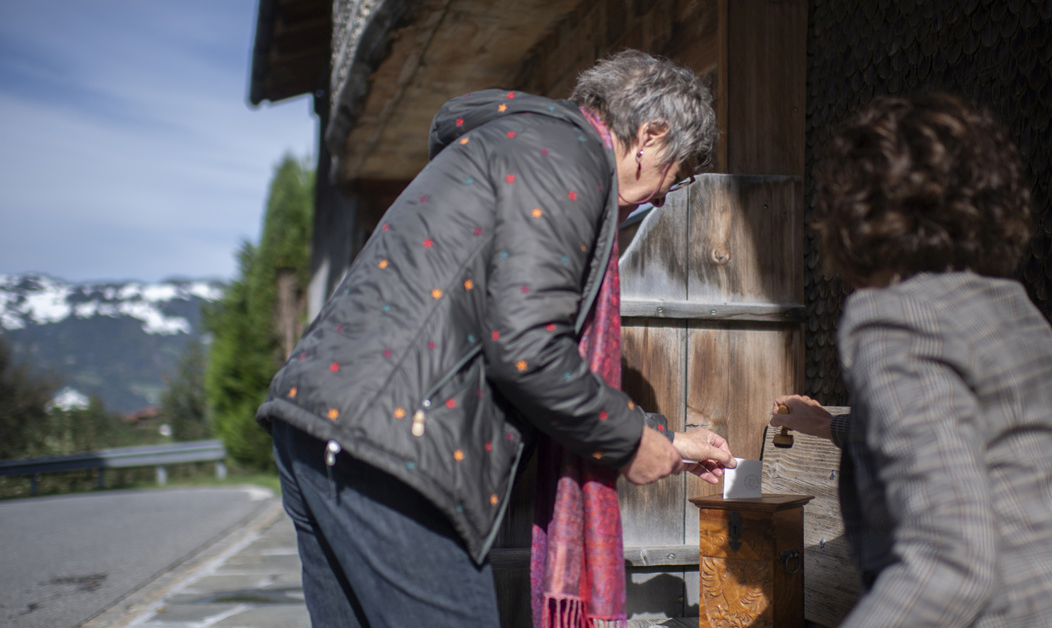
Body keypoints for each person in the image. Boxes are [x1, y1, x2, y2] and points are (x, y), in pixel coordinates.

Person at [259, 50, 734, 627]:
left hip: (324, 429)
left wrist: (667, 440)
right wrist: (632, 439)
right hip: (392, 448)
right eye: (671, 173)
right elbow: (529, 348)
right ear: (649, 134)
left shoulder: (518, 146)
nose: (662, 196)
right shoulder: (567, 158)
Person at [771, 93, 1052, 627]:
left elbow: (951, 564)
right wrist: (833, 426)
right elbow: (978, 442)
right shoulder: (1013, 310)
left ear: (857, 215)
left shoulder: (894, 318)